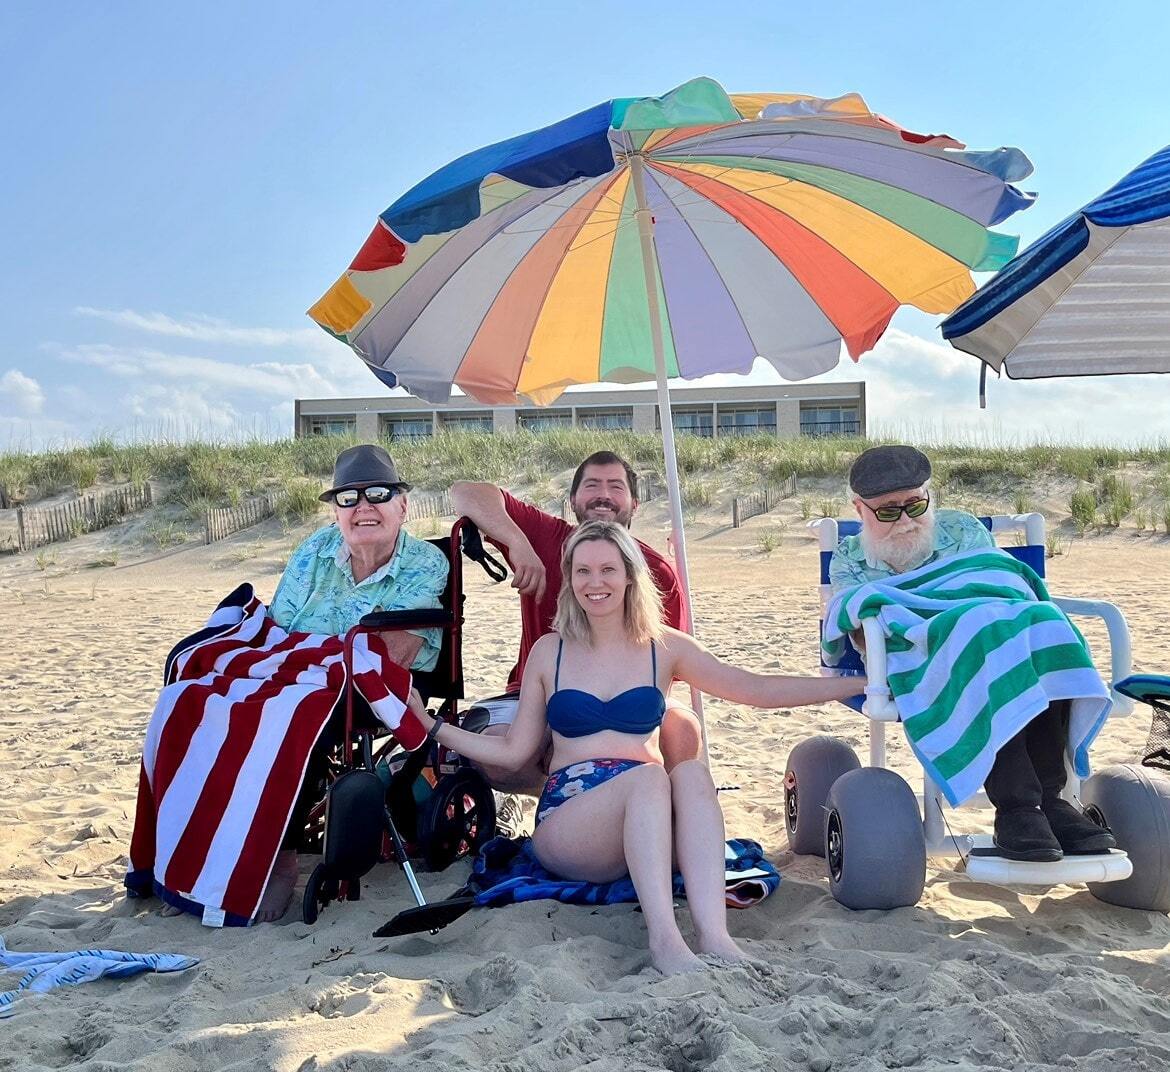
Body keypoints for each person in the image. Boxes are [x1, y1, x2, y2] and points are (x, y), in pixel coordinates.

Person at [409, 520, 865, 974]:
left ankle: (714, 936)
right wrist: (434, 728)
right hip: (572, 823)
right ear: (569, 579)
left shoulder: (664, 648)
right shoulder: (551, 651)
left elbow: (755, 688)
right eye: (582, 571)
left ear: (630, 575)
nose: (595, 583)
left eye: (607, 569)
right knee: (648, 775)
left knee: (689, 772)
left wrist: (856, 685)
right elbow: (514, 752)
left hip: (647, 820)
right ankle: (665, 941)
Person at [830, 444, 1116, 862]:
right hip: (918, 649)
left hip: (995, 639)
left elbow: (999, 585)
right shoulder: (851, 557)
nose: (906, 520)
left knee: (1040, 622)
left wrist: (980, 619)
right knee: (983, 637)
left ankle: (1050, 800)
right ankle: (1018, 806)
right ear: (860, 510)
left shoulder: (961, 530)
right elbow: (854, 621)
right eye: (888, 512)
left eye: (915, 504)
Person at [258, 443, 448, 920]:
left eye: (378, 493)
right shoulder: (315, 550)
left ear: (402, 506)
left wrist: (316, 658)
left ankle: (278, 861)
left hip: (370, 692)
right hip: (296, 675)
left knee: (298, 719)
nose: (363, 506)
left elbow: (394, 652)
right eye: (348, 498)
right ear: (337, 511)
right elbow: (280, 626)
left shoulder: (426, 563)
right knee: (199, 699)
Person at [451, 451, 702, 795]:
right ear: (572, 501)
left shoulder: (656, 573)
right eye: (592, 485)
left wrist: (595, 732)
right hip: (534, 698)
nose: (604, 495)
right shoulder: (546, 539)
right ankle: (563, 795)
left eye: (616, 486)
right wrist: (518, 544)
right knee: (495, 748)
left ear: (634, 503)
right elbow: (465, 492)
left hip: (622, 702)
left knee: (682, 728)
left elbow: (667, 670)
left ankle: (661, 811)